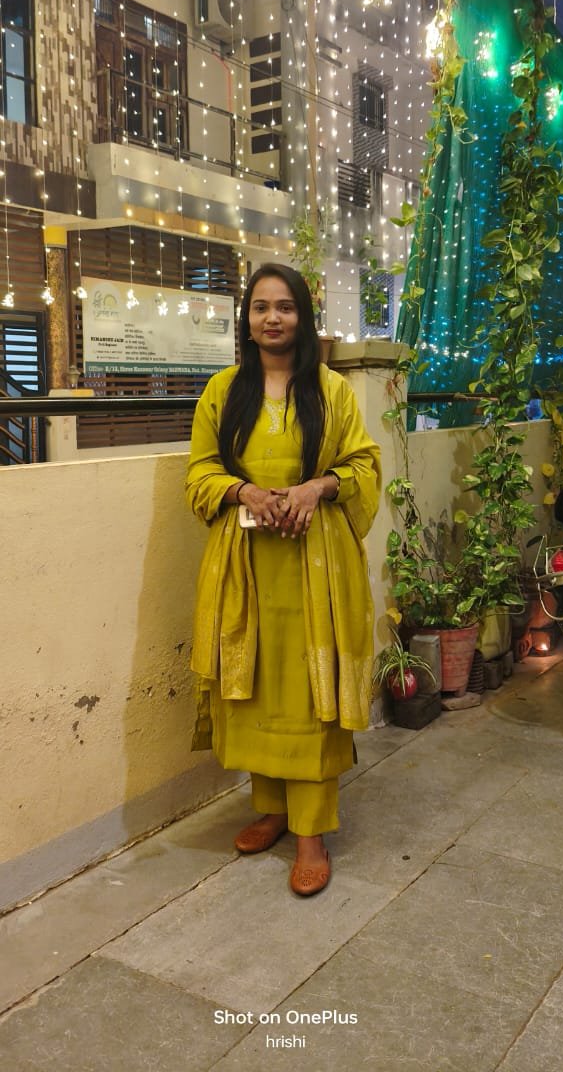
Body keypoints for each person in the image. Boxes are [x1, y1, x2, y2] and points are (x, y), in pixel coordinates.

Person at [186, 263, 381, 896]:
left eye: (285, 307)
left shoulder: (331, 390)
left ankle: (311, 833)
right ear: (246, 319)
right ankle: (270, 809)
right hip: (245, 567)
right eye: (261, 307)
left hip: (316, 566)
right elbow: (198, 474)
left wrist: (317, 487)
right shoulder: (222, 391)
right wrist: (243, 490)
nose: (272, 318)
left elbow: (364, 465)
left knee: (309, 692)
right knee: (257, 685)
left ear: (303, 316)